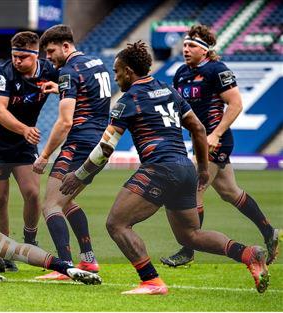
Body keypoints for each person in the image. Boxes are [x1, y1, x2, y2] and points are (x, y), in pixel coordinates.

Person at [60, 41, 269, 294]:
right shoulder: (169, 90)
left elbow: (105, 149)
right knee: (190, 235)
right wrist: (202, 168)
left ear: (128, 71)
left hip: (159, 168)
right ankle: (247, 254)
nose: (116, 78)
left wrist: (79, 175)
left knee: (117, 224)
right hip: (185, 168)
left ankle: (151, 281)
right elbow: (199, 128)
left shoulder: (128, 101)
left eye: (117, 72)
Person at [160, 24, 280, 267]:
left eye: (191, 45)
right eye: (184, 44)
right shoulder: (181, 73)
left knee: (192, 190)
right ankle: (270, 232)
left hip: (216, 141)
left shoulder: (217, 70)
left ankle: (188, 249)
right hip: (199, 141)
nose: (185, 49)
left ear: (205, 50)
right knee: (230, 192)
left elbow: (235, 104)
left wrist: (216, 134)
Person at [32, 24, 111, 279]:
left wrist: (44, 156)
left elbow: (65, 122)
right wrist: (60, 89)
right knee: (67, 201)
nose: (48, 57)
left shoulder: (68, 71)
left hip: (79, 143)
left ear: (66, 46)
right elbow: (90, 94)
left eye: (51, 51)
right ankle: (88, 259)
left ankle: (65, 267)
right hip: (99, 144)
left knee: (50, 205)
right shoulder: (96, 63)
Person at [0, 31, 59, 271]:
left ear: (36, 55)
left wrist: (60, 88)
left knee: (32, 192)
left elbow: (73, 85)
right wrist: (25, 129)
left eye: (23, 57)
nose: (17, 61)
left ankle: (29, 238)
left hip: (24, 140)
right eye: (14, 56)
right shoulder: (3, 74)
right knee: (0, 197)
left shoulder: (49, 70)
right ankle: (5, 250)